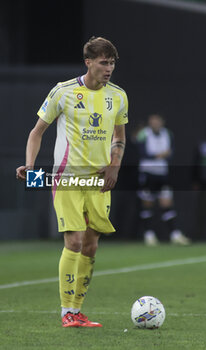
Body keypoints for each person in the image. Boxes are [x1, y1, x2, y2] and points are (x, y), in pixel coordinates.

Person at [16, 37, 128, 328]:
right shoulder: (63, 92)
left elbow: (119, 137)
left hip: (98, 181)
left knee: (90, 246)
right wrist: (30, 166)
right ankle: (67, 312)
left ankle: (77, 311)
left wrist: (115, 165)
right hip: (67, 178)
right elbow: (36, 132)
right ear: (88, 62)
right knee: (75, 240)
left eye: (112, 63)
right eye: (104, 62)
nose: (109, 68)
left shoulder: (117, 96)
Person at [136, 114, 190, 246]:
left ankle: (175, 234)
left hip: (162, 173)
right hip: (148, 173)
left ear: (162, 122)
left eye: (157, 121)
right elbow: (141, 152)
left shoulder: (168, 134)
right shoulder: (144, 134)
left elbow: (170, 154)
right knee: (147, 204)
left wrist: (165, 156)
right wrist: (159, 155)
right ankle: (149, 235)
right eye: (152, 121)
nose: (154, 124)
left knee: (166, 203)